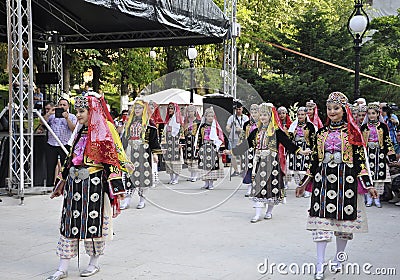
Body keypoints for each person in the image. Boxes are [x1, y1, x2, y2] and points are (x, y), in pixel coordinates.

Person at [46, 93, 129, 280]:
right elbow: (70, 158)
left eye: (82, 111)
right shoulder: (80, 130)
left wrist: (117, 188)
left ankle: (93, 263)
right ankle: (62, 267)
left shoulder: (104, 129)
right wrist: (61, 182)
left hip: (94, 185)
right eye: (77, 110)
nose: (79, 114)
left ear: (92, 111)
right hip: (74, 185)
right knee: (69, 225)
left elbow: (111, 159)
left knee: (94, 226)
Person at [296, 92, 378, 280]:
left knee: (343, 225)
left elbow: (360, 162)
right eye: (329, 108)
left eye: (336, 108)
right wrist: (304, 183)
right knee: (321, 225)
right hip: (323, 182)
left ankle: (339, 259)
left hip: (346, 182)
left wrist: (369, 184)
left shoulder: (353, 133)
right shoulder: (320, 133)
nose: (332, 112)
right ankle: (319, 264)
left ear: (344, 110)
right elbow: (315, 161)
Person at [228, 103, 310, 222]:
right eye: (261, 115)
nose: (262, 117)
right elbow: (247, 144)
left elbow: (288, 143)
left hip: (272, 164)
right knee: (258, 187)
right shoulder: (256, 131)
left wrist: (301, 151)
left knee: (272, 187)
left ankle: (269, 211)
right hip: (259, 163)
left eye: (265, 115)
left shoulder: (276, 131)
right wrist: (232, 151)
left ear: (270, 116)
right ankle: (257, 213)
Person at [120, 99, 162, 210]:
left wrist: (155, 153)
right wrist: (122, 151)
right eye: (136, 108)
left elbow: (154, 139)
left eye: (140, 108)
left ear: (144, 109)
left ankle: (142, 199)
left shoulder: (149, 123)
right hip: (130, 151)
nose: (137, 110)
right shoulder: (130, 122)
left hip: (144, 152)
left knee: (143, 176)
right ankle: (127, 199)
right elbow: (124, 138)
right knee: (129, 175)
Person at [360, 103, 396, 208]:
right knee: (368, 174)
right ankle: (368, 198)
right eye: (369, 113)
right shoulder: (364, 127)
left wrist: (391, 154)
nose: (371, 116)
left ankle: (377, 198)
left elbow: (387, 141)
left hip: (379, 153)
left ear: (377, 114)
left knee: (379, 176)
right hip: (368, 153)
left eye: (373, 113)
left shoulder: (383, 127)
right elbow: (361, 142)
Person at [44, 98, 77, 186]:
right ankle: (50, 185)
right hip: (52, 144)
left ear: (68, 106)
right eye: (60, 104)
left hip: (65, 144)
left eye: (64, 105)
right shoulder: (52, 116)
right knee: (50, 165)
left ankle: (65, 184)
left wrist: (67, 118)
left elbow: (74, 129)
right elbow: (42, 122)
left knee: (65, 166)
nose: (62, 106)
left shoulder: (72, 116)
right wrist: (48, 113)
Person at [287, 107, 315, 198]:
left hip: (306, 148)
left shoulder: (310, 126)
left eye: (302, 114)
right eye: (298, 114)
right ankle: (300, 186)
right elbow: (289, 138)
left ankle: (306, 188)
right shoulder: (294, 125)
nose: (300, 116)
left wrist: (311, 149)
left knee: (304, 169)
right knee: (296, 170)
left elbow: (313, 138)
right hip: (296, 148)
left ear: (306, 115)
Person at [195, 107, 225, 190]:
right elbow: (199, 138)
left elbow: (220, 137)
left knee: (212, 166)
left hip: (212, 147)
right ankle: (206, 182)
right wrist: (197, 149)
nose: (210, 118)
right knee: (204, 165)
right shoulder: (202, 127)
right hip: (204, 147)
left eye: (212, 116)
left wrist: (219, 149)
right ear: (205, 116)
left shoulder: (216, 127)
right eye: (209, 116)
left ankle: (211, 183)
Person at [162, 102, 184, 185]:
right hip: (168, 142)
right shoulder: (167, 119)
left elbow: (182, 131)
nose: (170, 110)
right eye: (169, 108)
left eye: (172, 108)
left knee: (177, 161)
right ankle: (171, 178)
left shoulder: (179, 119)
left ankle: (176, 178)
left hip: (176, 142)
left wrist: (181, 142)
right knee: (168, 161)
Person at [226, 101, 249, 176]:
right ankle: (236, 171)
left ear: (242, 109)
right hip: (233, 138)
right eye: (236, 109)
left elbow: (248, 128)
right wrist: (228, 128)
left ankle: (243, 170)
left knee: (242, 155)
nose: (238, 111)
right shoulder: (232, 117)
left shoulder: (245, 118)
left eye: (239, 109)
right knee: (232, 155)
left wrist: (241, 129)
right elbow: (227, 127)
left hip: (242, 138)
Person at [241, 104, 259, 197]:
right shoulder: (246, 124)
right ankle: (249, 187)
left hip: (258, 149)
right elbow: (242, 136)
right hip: (248, 149)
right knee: (249, 167)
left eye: (256, 112)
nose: (253, 114)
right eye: (252, 112)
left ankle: (256, 187)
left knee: (257, 167)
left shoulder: (261, 124)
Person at [183, 104, 201, 182]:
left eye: (192, 111)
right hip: (187, 140)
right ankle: (191, 175)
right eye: (189, 111)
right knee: (189, 159)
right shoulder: (186, 121)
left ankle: (195, 175)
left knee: (194, 158)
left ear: (195, 112)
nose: (190, 113)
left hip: (194, 140)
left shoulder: (198, 121)